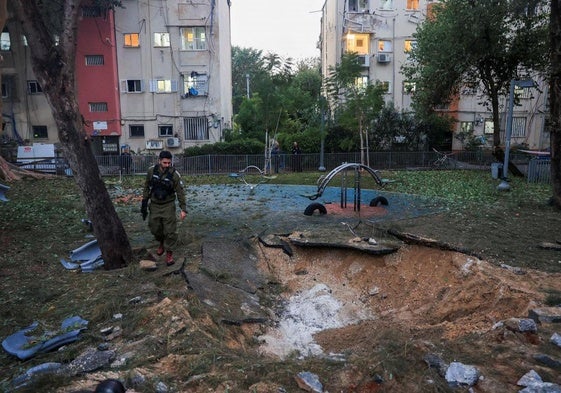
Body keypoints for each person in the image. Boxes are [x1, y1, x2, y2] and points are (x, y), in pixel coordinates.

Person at [141, 150, 187, 266]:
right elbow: (147, 186)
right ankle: (161, 242)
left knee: (170, 231)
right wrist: (144, 204)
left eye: (169, 163)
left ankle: (169, 254)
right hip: (155, 205)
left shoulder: (175, 174)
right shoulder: (151, 171)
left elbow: (180, 192)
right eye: (165, 163)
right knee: (155, 228)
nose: (167, 165)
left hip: (168, 205)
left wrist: (183, 208)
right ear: (159, 161)